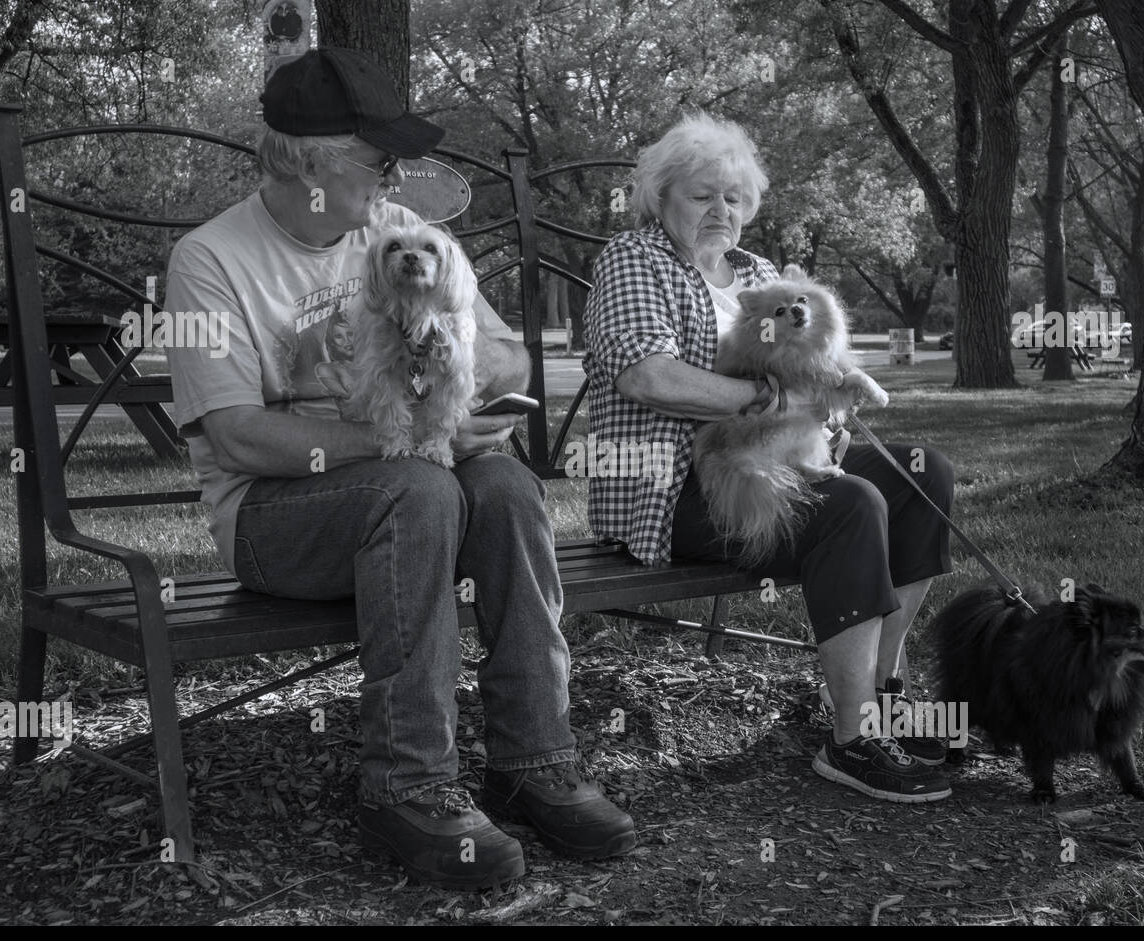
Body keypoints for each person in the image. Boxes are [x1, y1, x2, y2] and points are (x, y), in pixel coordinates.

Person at [165, 47, 634, 890]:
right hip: (275, 523)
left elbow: (511, 366)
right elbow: (235, 437)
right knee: (418, 485)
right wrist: (406, 442)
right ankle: (407, 782)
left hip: (417, 492)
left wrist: (458, 369)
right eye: (378, 159)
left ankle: (535, 758)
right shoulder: (211, 260)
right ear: (310, 161)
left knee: (508, 489)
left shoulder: (402, 238)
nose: (394, 175)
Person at [582, 112, 955, 803]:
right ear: (660, 197)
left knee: (921, 471)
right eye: (700, 195)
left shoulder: (756, 273)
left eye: (733, 196)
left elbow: (822, 361)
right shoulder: (633, 261)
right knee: (847, 504)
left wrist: (829, 400)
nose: (720, 209)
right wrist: (768, 400)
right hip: (671, 489)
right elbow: (648, 376)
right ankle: (853, 740)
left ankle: (885, 693)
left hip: (784, 455)